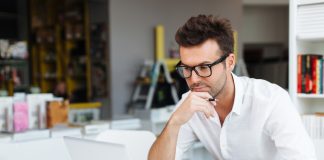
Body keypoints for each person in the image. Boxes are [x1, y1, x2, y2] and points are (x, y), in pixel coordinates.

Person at [148, 15, 316, 160]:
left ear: (229, 63)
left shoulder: (272, 100)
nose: (194, 79)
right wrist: (174, 122)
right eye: (187, 68)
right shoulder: (189, 104)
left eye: (204, 67)